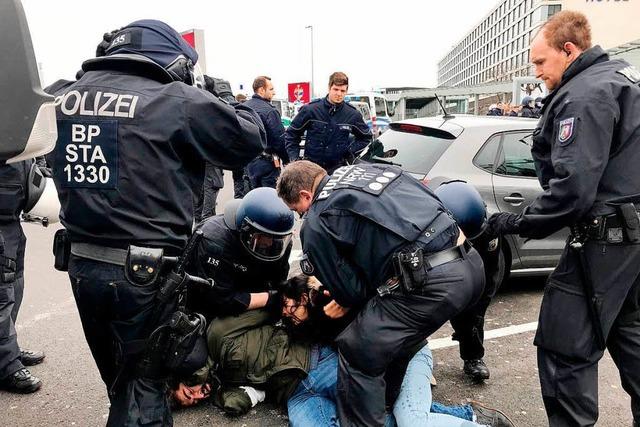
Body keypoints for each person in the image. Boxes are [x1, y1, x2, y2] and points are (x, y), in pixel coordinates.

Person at [46, 20, 264, 426]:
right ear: (176, 63)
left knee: (121, 382)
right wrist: (219, 94)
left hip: (82, 266)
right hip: (144, 278)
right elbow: (248, 140)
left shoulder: (62, 96)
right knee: (144, 389)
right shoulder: (176, 99)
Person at [486, 10, 640, 426]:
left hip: (605, 241)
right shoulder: (623, 79)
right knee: (633, 340)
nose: (536, 72)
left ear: (568, 50)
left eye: (540, 62)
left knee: (563, 346)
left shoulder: (585, 94)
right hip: (631, 242)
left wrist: (516, 223)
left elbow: (572, 190)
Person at [276, 160, 486, 426]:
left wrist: (340, 294)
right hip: (471, 264)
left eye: (298, 210)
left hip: (431, 285)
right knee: (389, 341)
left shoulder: (317, 221)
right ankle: (389, 405)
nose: (301, 216)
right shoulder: (374, 170)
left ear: (306, 195)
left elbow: (351, 294)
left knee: (357, 349)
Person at [170, 275, 514, 427]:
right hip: (296, 395)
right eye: (192, 400)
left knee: (382, 410)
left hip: (317, 362)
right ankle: (460, 415)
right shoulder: (218, 386)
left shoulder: (217, 334)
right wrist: (218, 394)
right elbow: (244, 396)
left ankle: (469, 419)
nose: (196, 395)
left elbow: (272, 304)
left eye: (188, 390)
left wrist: (290, 299)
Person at [188, 187, 294, 319]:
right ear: (245, 229)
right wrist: (272, 298)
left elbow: (279, 280)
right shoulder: (215, 241)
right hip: (213, 305)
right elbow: (220, 301)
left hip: (251, 292)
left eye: (276, 239)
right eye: (263, 237)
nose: (270, 244)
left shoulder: (279, 241)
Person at [0, 160, 46, 394]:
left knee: (15, 283)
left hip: (12, 209)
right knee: (1, 293)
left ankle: (9, 349)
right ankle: (6, 365)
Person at [285, 72, 372, 174]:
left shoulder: (352, 114)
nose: (339, 94)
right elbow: (291, 135)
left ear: (346, 91)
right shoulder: (311, 110)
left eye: (342, 90)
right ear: (329, 88)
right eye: (335, 89)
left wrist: (349, 151)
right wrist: (295, 161)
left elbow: (366, 137)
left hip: (337, 171)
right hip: (311, 170)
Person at [244, 76, 289, 189]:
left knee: (253, 199)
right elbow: (279, 140)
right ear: (261, 90)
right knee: (270, 200)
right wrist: (287, 160)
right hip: (268, 164)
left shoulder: (244, 108)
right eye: (271, 89)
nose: (274, 93)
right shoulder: (270, 111)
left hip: (249, 163)